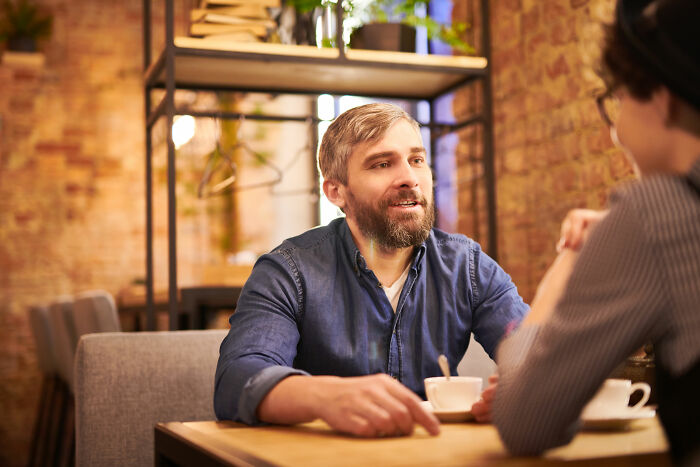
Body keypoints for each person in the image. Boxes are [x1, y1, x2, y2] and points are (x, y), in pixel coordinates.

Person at [214, 102, 529, 438]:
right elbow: (237, 379)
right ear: (336, 191)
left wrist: (528, 388)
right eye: (382, 164)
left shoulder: (467, 267)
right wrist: (326, 396)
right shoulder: (289, 271)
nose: (409, 178)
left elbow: (537, 353)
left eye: (417, 160)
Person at [492, 0, 700, 464]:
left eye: (617, 99)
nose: (616, 133)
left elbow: (525, 419)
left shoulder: (654, 215)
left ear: (661, 98)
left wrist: (566, 270)